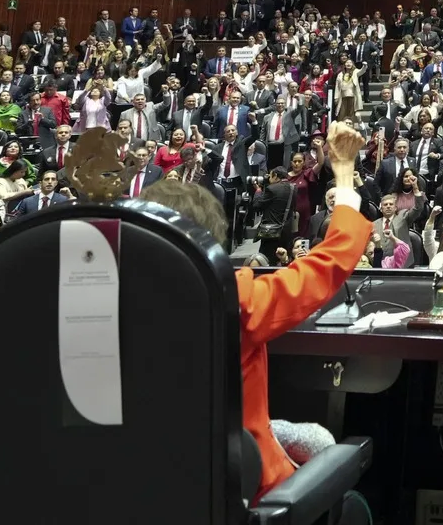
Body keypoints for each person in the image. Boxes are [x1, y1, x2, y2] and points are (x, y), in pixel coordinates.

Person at [139, 121, 372, 499]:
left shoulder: (92, 312)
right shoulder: (240, 303)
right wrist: (343, 171)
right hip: (244, 491)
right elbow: (330, 261)